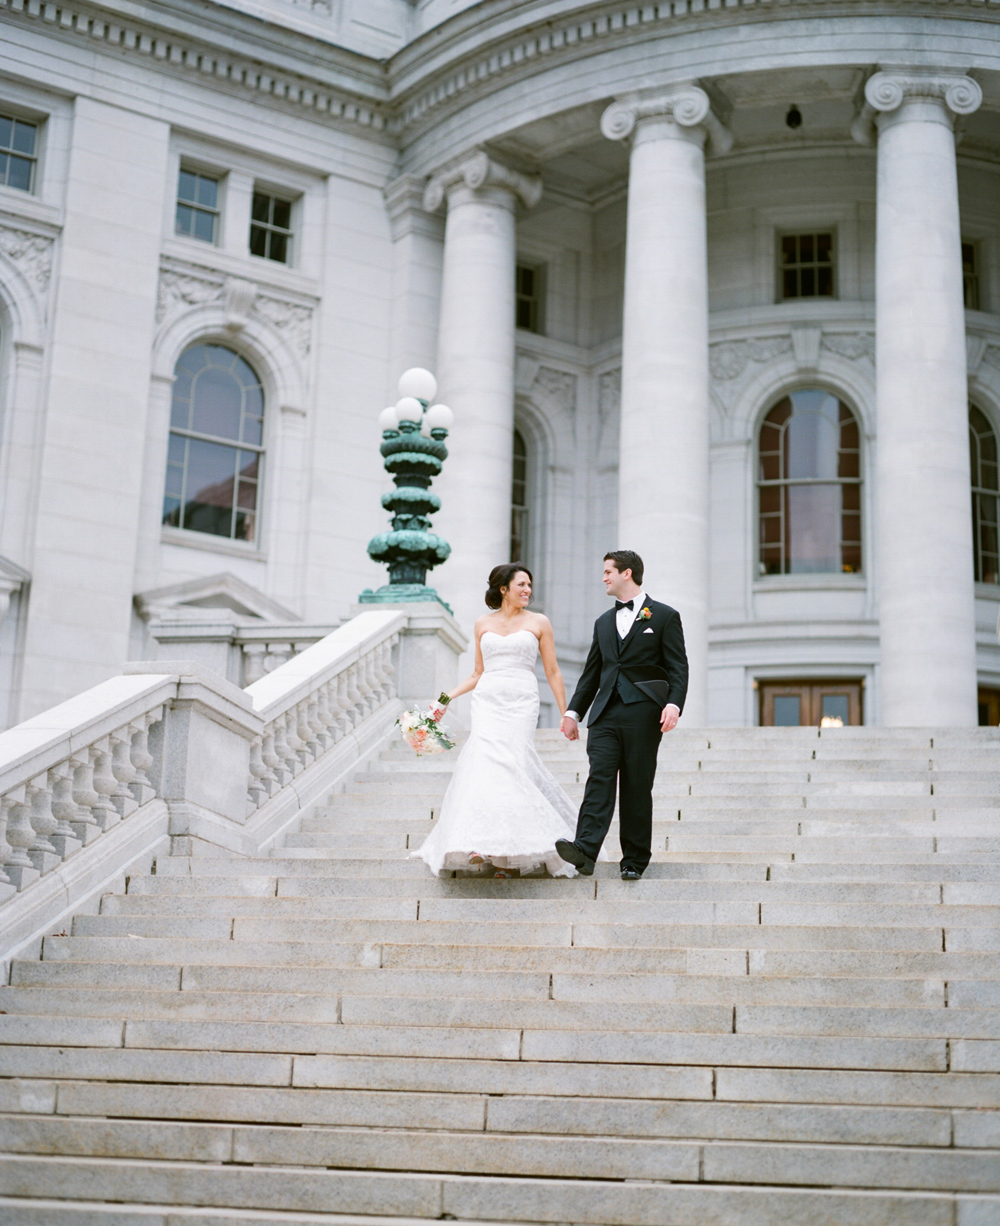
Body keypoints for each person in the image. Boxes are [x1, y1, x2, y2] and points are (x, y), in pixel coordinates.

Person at [410, 563, 581, 878]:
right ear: (504, 588)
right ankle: (483, 844)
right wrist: (444, 699)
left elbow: (553, 671)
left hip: (520, 701)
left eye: (530, 585)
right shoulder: (482, 623)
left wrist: (566, 713)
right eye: (522, 584)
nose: (528, 590)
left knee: (512, 766)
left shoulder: (539, 622)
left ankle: (506, 854)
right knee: (484, 765)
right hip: (487, 702)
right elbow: (477, 673)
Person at [556, 550, 689, 881]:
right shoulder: (602, 622)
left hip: (644, 712)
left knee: (636, 784)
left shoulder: (664, 616)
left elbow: (678, 667)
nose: (603, 578)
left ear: (626, 573)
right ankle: (585, 850)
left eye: (607, 572)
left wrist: (673, 704)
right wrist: (573, 712)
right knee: (599, 776)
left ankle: (634, 859)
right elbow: (592, 673)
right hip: (604, 713)